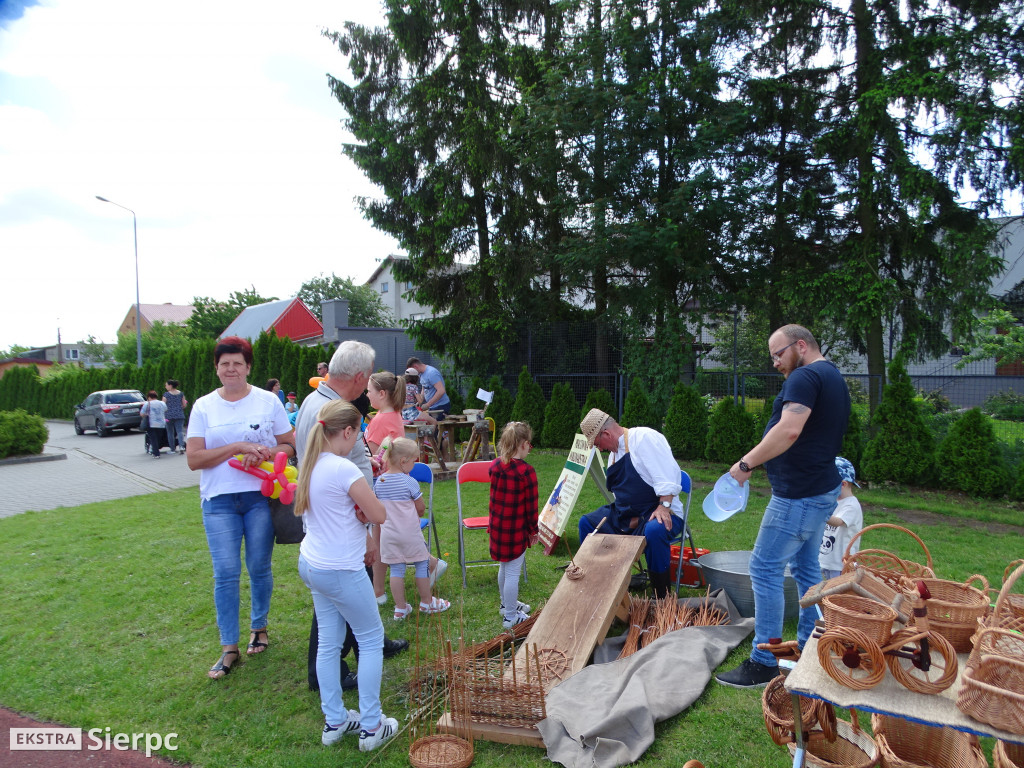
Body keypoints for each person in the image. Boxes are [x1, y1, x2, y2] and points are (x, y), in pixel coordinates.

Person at [716, 324, 851, 689]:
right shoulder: (833, 376)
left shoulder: (806, 376)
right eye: (772, 356)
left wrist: (746, 465)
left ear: (801, 346)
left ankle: (766, 659)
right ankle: (808, 646)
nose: (775, 362)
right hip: (820, 489)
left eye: (779, 353)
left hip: (798, 496)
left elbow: (789, 430)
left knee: (763, 567)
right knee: (807, 570)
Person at [295, 340, 409, 693]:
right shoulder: (329, 409)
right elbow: (347, 485)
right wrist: (366, 534)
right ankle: (330, 669)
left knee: (341, 598)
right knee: (338, 599)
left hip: (334, 526)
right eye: (369, 377)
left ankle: (358, 648)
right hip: (343, 529)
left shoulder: (319, 403)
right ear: (359, 376)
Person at [185, 336, 296, 679]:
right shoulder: (204, 407)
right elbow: (194, 459)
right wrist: (236, 446)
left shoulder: (268, 401)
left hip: (258, 497)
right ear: (216, 369)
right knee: (226, 573)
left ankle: (259, 628)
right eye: (224, 363)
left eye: (237, 363)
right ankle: (228, 648)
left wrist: (265, 453)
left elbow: (290, 445)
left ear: (248, 367)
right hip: (218, 501)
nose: (230, 369)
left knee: (259, 566)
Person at [293, 399, 398, 752]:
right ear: (349, 432)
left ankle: (335, 721)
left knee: (329, 643)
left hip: (313, 564)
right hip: (339, 568)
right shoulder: (342, 469)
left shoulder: (311, 463)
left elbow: (342, 512)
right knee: (370, 641)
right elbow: (379, 513)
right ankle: (371, 727)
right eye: (359, 433)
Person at [577, 408, 684, 598]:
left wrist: (664, 506)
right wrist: (628, 517)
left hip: (659, 508)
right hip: (628, 513)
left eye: (597, 443)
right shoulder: (613, 455)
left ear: (607, 434)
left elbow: (669, 477)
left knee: (654, 530)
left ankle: (661, 596)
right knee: (587, 524)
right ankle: (603, 589)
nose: (599, 449)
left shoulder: (644, 438)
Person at [375, 437, 450, 620]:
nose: (414, 464)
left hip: (389, 535)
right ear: (403, 461)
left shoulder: (380, 482)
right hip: (409, 533)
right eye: (414, 460)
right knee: (422, 565)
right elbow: (421, 507)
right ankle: (426, 601)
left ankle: (400, 607)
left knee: (396, 569)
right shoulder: (409, 482)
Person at [489, 421, 539, 628]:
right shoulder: (526, 472)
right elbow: (531, 507)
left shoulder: (495, 466)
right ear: (524, 444)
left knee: (504, 567)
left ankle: (505, 604)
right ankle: (510, 616)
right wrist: (533, 531)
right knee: (512, 572)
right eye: (530, 445)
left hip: (497, 528)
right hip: (515, 530)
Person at [819, 457, 863, 580]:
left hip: (841, 564)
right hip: (827, 559)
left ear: (843, 484)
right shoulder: (834, 500)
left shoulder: (851, 505)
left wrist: (819, 512)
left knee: (837, 593)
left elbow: (837, 522)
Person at [364, 371, 406, 455]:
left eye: (369, 391)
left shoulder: (380, 421)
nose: (367, 395)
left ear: (382, 394)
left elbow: (371, 455)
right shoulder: (394, 413)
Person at [162, 379, 188, 454]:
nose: (165, 386)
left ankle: (172, 449)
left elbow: (163, 405)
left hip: (168, 415)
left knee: (170, 432)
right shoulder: (181, 394)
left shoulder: (166, 394)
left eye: (166, 385)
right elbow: (184, 405)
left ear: (170, 385)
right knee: (179, 431)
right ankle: (181, 446)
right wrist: (178, 408)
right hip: (179, 415)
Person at [141, 390, 167, 458]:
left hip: (151, 423)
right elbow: (165, 409)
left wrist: (146, 414)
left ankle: (156, 453)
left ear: (149, 397)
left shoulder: (147, 404)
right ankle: (155, 451)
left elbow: (142, 414)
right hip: (161, 423)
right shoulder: (162, 403)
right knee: (158, 438)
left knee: (153, 439)